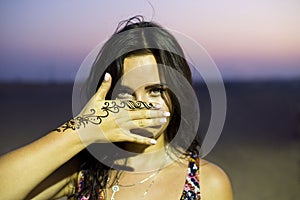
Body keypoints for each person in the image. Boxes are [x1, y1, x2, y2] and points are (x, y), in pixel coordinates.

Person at [0, 16, 233, 200]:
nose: (139, 104)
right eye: (125, 92)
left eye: (155, 90)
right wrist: (82, 130)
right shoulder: (82, 173)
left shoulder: (207, 183)